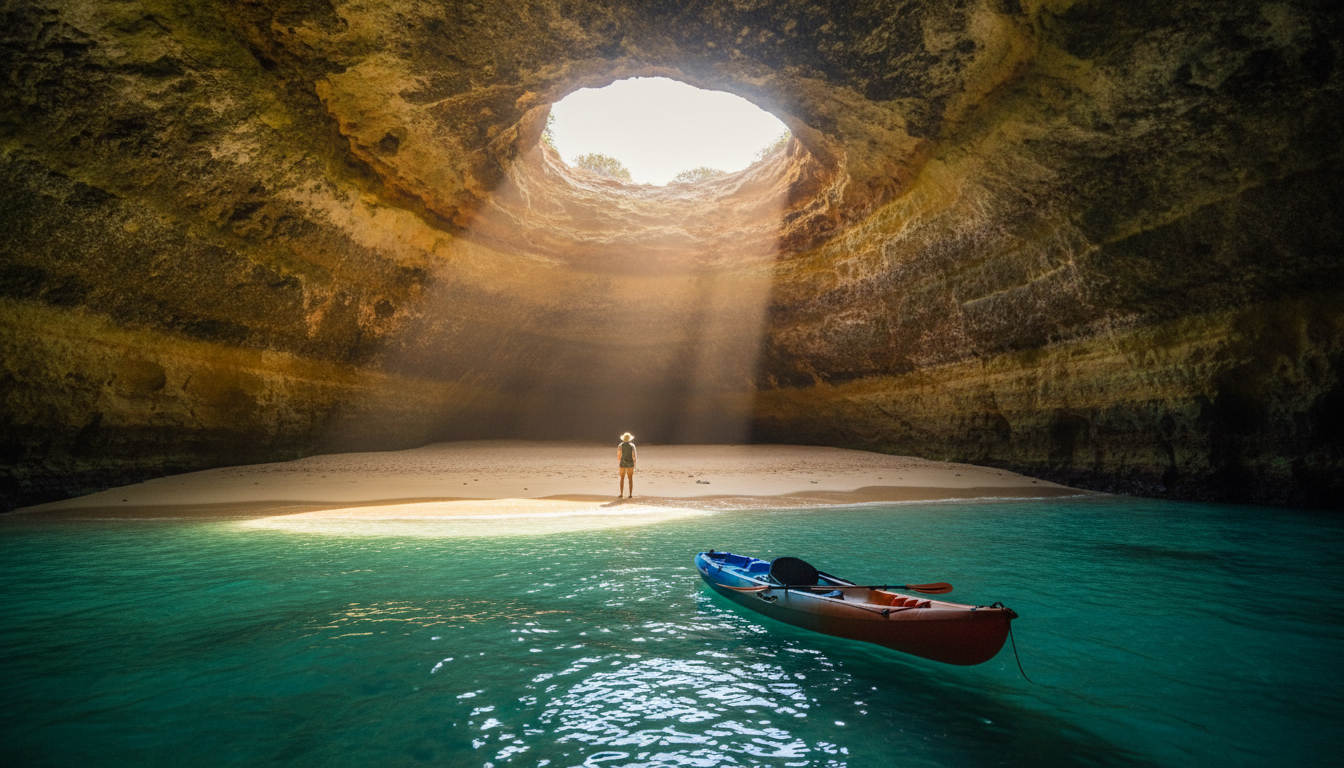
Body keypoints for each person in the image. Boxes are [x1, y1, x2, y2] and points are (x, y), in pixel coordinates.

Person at [617, 432, 637, 498]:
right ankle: (630, 494)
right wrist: (634, 464)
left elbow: (619, 455)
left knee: (622, 478)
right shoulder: (632, 445)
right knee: (630, 478)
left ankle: (621, 494)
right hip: (630, 463)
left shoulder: (620, 445)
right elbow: (634, 455)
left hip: (622, 463)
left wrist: (620, 462)